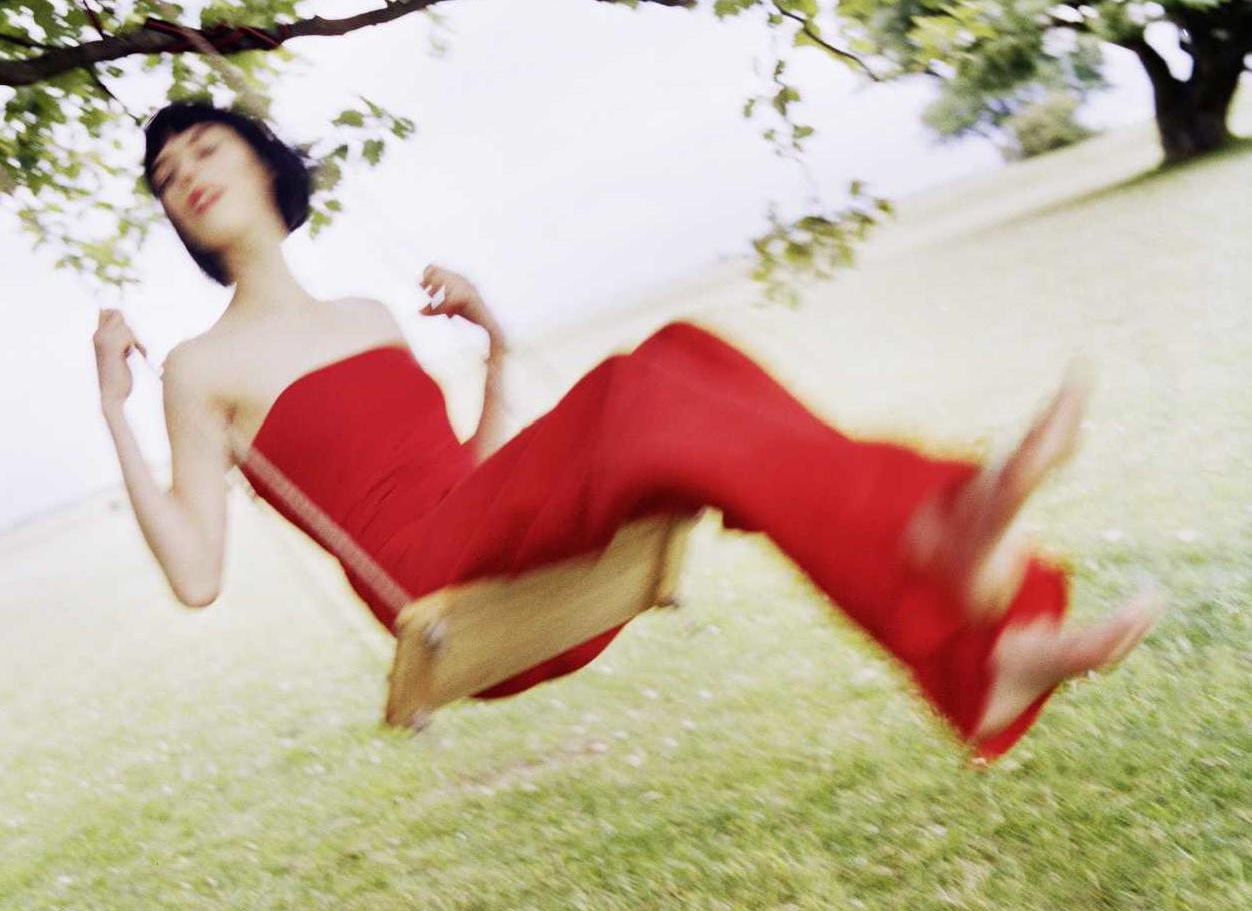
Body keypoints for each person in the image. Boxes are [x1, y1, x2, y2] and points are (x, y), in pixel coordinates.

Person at [94, 100, 1161, 762]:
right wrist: (113, 405)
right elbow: (196, 573)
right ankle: (938, 523)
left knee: (681, 355)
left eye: (204, 147)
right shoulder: (199, 369)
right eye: (166, 178)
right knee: (637, 393)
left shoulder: (368, 315)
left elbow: (467, 473)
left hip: (484, 536)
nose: (185, 175)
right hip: (437, 598)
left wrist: (494, 345)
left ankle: (988, 655)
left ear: (264, 162)